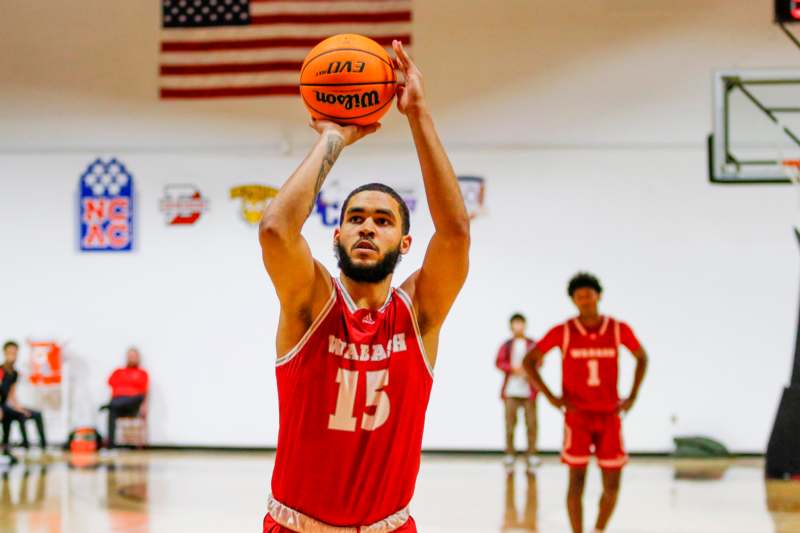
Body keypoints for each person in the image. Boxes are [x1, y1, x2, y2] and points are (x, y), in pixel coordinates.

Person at [258, 40, 470, 532]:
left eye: (382, 220)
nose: (368, 228)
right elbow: (274, 229)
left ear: (406, 240)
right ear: (337, 234)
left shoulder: (419, 312)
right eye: (355, 218)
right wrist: (333, 136)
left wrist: (418, 115)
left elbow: (456, 233)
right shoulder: (310, 304)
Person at [523, 273, 648, 533]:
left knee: (612, 484)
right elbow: (529, 361)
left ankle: (599, 529)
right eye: (579, 297)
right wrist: (551, 396)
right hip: (577, 417)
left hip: (609, 415)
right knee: (576, 483)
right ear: (573, 301)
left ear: (598, 295)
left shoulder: (616, 328)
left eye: (588, 295)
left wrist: (633, 395)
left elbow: (641, 357)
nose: (584, 300)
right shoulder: (565, 331)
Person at [495, 313, 540, 472]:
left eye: (521, 323)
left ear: (525, 325)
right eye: (516, 323)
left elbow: (539, 360)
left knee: (532, 425)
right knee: (509, 425)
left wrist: (528, 371)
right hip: (511, 391)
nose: (518, 326)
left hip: (529, 391)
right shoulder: (506, 345)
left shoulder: (532, 344)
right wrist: (513, 369)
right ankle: (510, 454)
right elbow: (499, 362)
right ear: (511, 326)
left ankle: (532, 455)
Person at [1, 341, 48, 458]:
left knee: (34, 414)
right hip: (1, 407)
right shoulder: (1, 371)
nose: (12, 355)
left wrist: (19, 407)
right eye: (10, 353)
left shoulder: (15, 373)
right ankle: (10, 447)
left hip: (7, 406)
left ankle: (43, 449)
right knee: (12, 415)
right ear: (5, 353)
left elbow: (12, 394)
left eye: (15, 353)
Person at [100, 347, 148, 449]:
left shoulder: (142, 373)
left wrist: (144, 407)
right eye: (130, 356)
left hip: (133, 403)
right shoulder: (118, 372)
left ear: (138, 358)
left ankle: (110, 405)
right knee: (113, 409)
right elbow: (112, 389)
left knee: (135, 398)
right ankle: (111, 445)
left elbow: (144, 392)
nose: (132, 358)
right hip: (118, 402)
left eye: (134, 356)